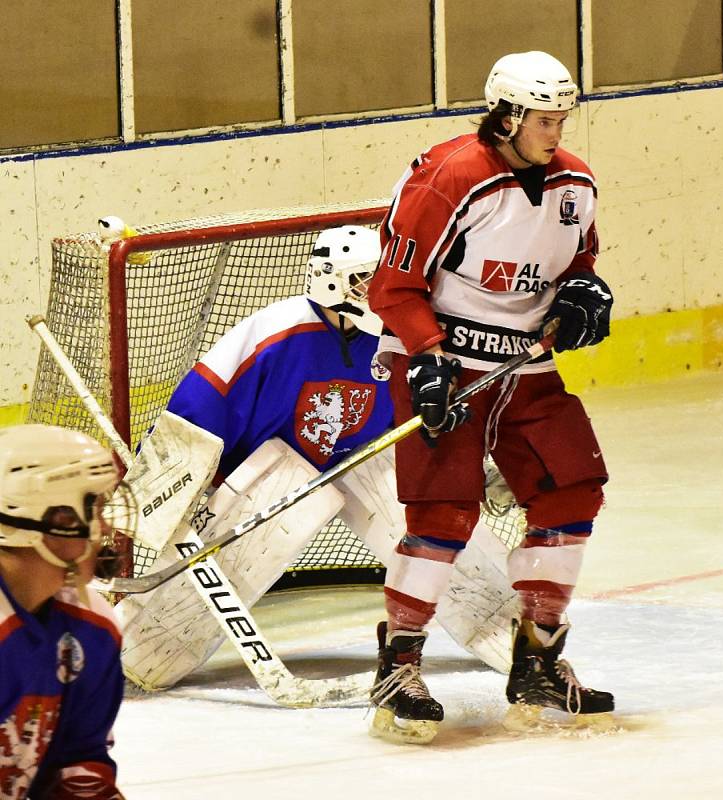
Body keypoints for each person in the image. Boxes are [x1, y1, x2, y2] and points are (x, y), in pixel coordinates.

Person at [118, 226, 519, 694]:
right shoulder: (274, 331)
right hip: (273, 473)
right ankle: (129, 649)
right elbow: (200, 408)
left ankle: (516, 635)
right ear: (331, 278)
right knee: (148, 657)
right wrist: (168, 490)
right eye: (367, 280)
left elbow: (428, 418)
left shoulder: (399, 335)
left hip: (363, 459)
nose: (382, 291)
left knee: (430, 513)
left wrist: (476, 471)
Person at [367, 51, 615, 741]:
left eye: (562, 118)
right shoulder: (449, 178)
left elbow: (580, 262)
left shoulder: (574, 180)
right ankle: (398, 664)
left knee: (572, 492)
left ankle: (537, 659)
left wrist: (582, 294)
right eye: (543, 119)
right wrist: (425, 358)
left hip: (525, 369)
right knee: (442, 512)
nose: (555, 132)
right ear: (505, 115)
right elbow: (391, 285)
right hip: (441, 363)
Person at [0, 424, 134, 799]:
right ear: (53, 519)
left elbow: (78, 762)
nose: (105, 525)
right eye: (93, 507)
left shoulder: (92, 628)